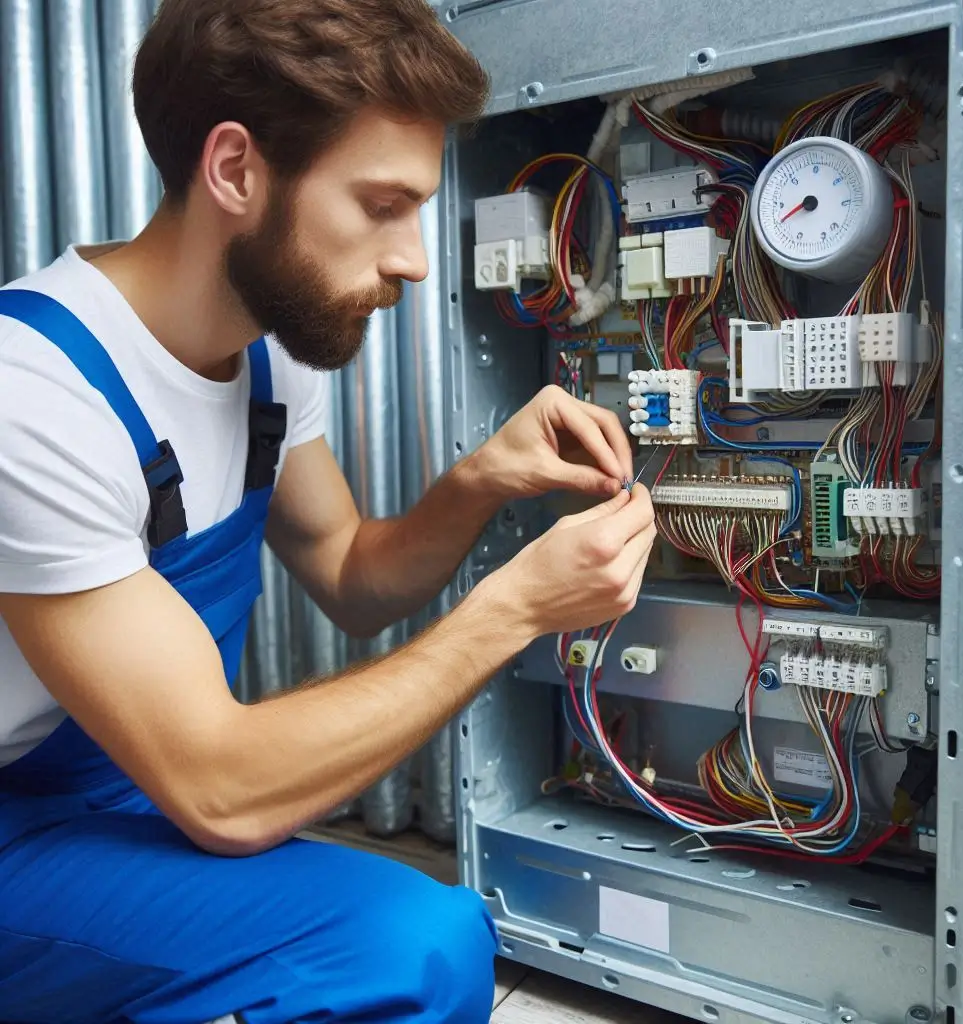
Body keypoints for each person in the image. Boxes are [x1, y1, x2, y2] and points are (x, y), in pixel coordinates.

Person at [0, 1, 656, 1020]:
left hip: (139, 784)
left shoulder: (261, 357)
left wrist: (479, 480)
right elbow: (220, 790)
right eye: (381, 205)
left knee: (424, 937)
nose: (414, 260)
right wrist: (512, 610)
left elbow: (354, 574)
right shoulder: (32, 394)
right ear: (234, 171)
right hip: (30, 826)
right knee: (415, 947)